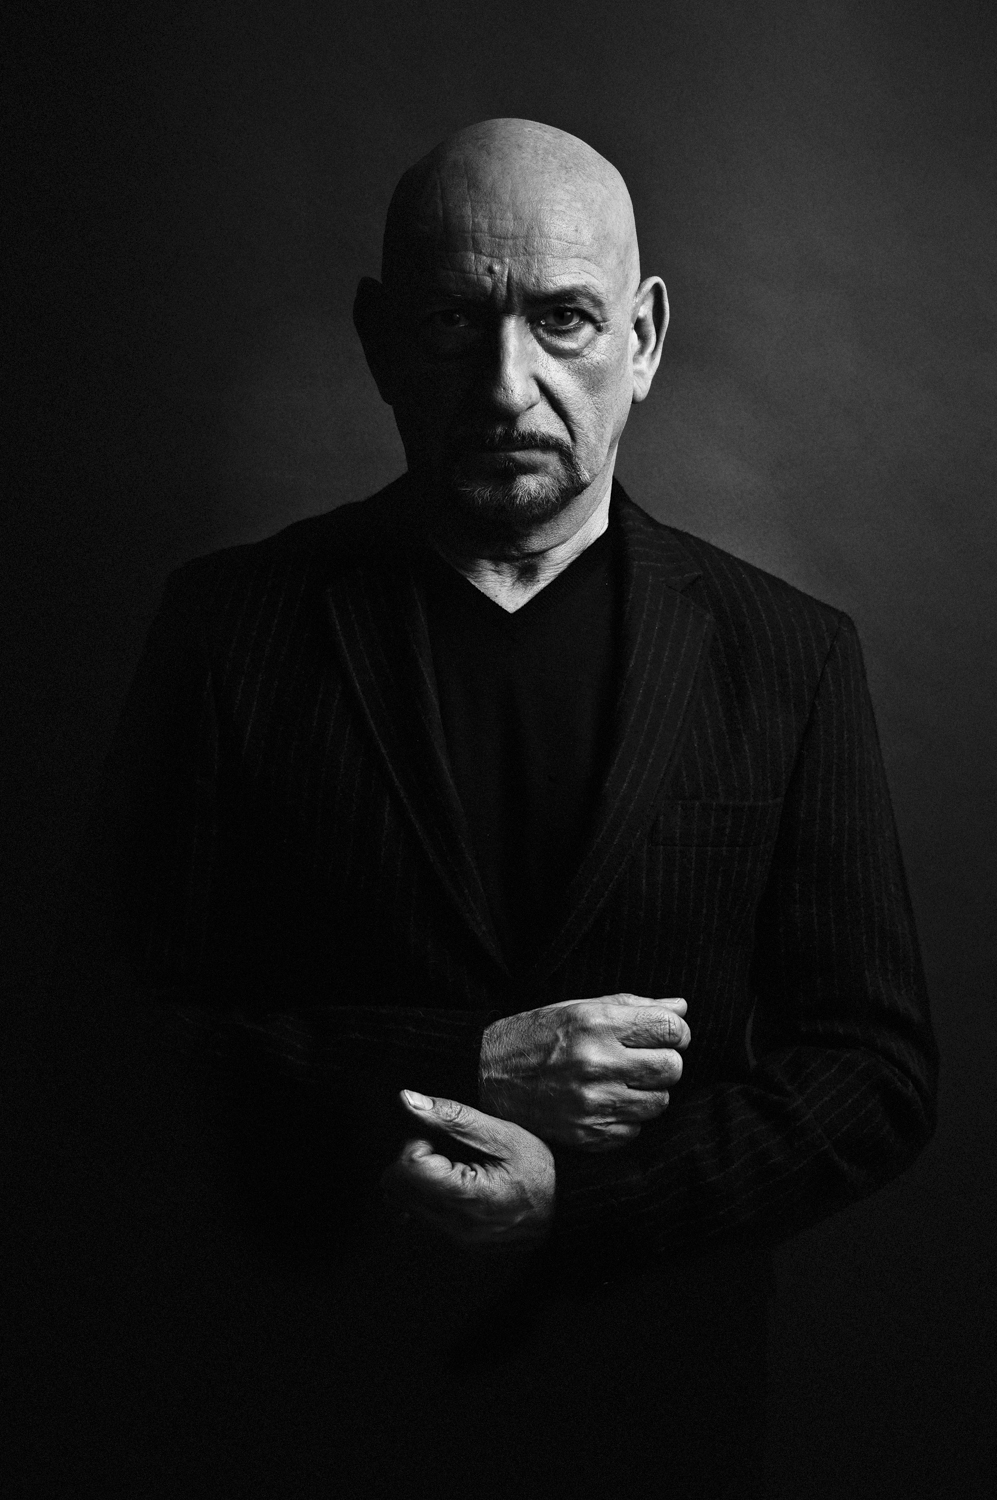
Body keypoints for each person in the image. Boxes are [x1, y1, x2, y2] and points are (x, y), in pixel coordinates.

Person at [76, 119, 937, 1497]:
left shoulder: (791, 657)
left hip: (656, 1423)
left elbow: (874, 1072)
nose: (505, 383)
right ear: (378, 340)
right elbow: (101, 1039)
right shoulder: (229, 629)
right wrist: (461, 1066)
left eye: (563, 320)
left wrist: (576, 1208)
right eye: (451, 321)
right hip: (300, 1412)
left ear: (642, 339)